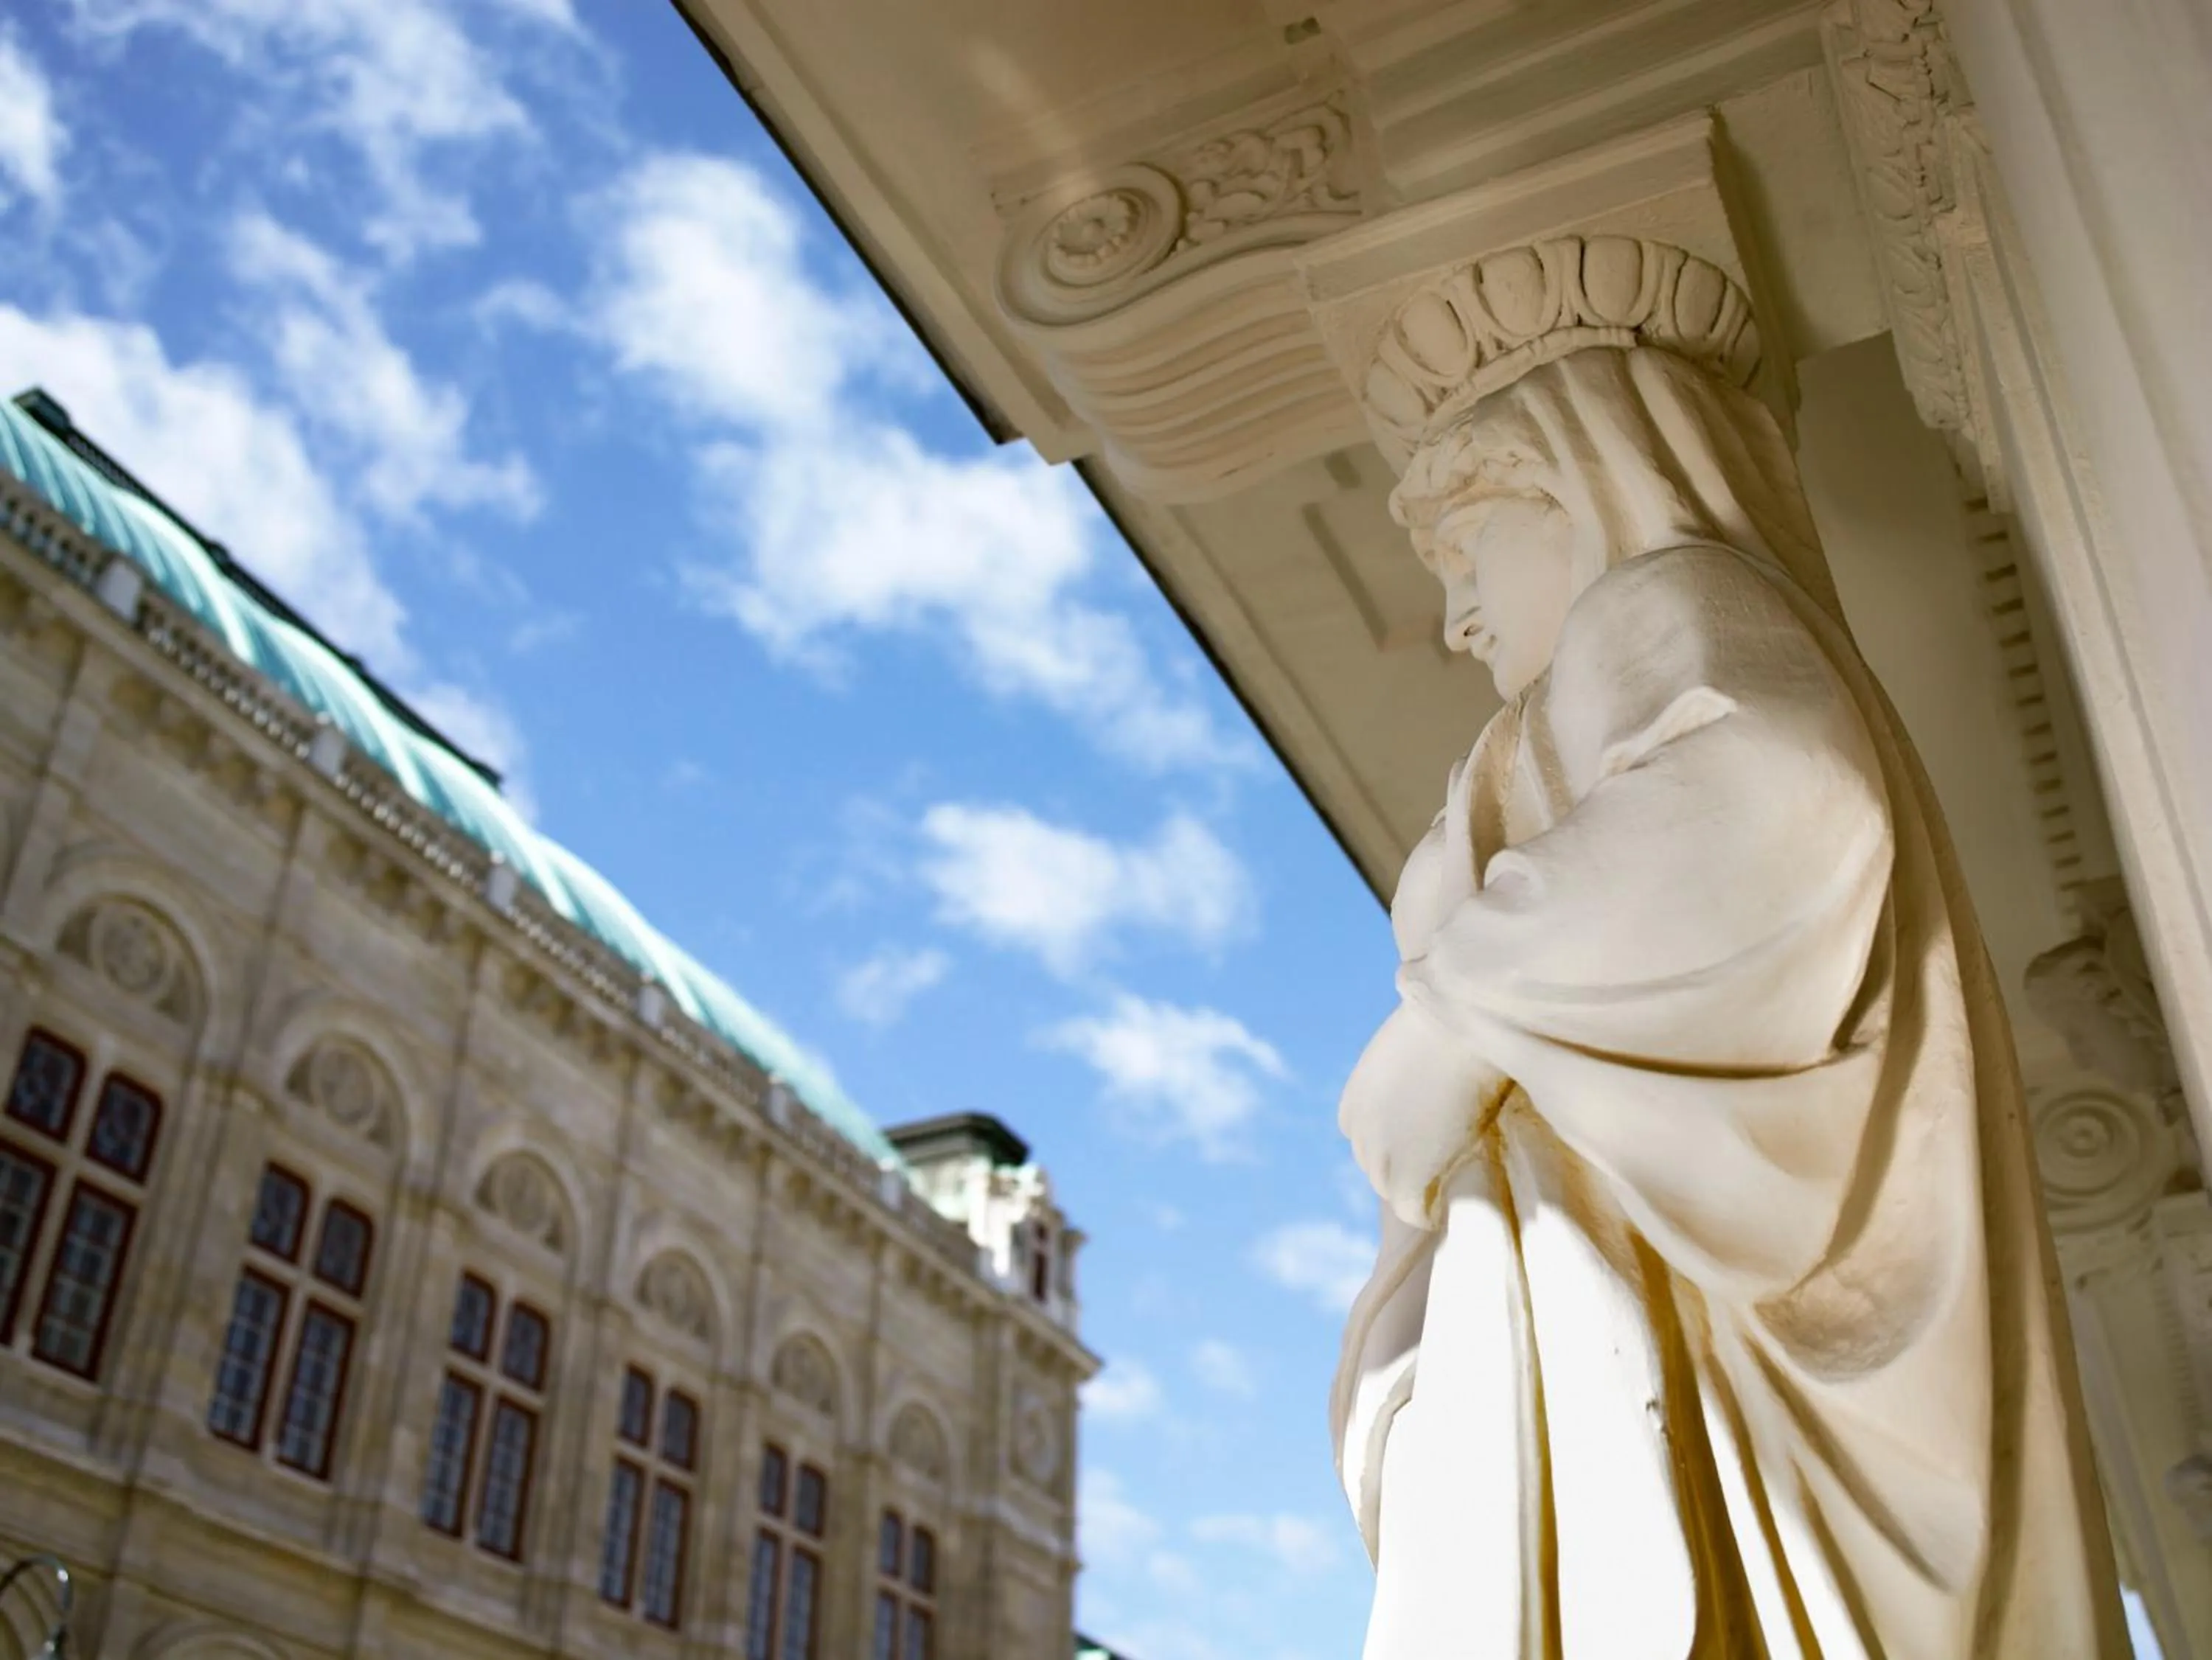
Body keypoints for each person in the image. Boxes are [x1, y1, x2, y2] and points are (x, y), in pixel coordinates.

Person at [1331, 342, 2126, 1658]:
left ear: (1581, 484)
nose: (1458, 617)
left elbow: (1769, 794)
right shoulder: (1550, 708)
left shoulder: (1658, 601)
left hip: (1646, 1280)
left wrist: (1453, 1021)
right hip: (1568, 1254)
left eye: (1470, 551)